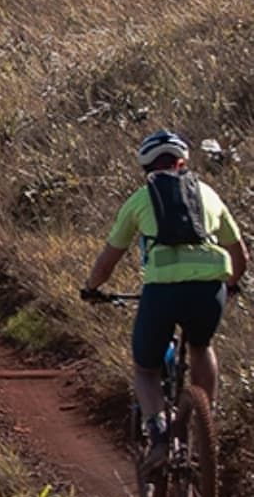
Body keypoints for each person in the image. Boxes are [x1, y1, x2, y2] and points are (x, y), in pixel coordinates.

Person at [81, 129, 246, 469]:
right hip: (209, 287)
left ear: (146, 168)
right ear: (183, 163)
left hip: (163, 291)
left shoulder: (140, 200)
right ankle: (206, 424)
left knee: (145, 368)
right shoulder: (209, 195)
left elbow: (108, 259)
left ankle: (158, 437)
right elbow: (239, 254)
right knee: (201, 345)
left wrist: (91, 288)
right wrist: (230, 284)